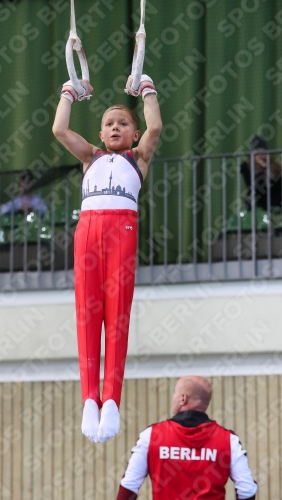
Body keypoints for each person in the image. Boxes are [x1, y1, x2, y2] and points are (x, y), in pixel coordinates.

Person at [52, 76, 162, 443]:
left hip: (121, 233)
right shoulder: (89, 158)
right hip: (87, 232)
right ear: (100, 135)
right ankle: (89, 399)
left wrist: (147, 91)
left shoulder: (138, 158)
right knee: (87, 313)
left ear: (134, 135)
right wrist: (69, 93)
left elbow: (157, 125)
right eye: (110, 124)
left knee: (116, 315)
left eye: (124, 123)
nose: (116, 127)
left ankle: (111, 398)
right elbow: (59, 128)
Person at [117, 376, 257, 500]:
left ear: (183, 398)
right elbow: (247, 489)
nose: (173, 397)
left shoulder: (151, 436)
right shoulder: (228, 440)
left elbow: (129, 485)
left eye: (174, 393)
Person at [241, 136, 282, 210]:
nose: (260, 154)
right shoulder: (247, 167)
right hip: (258, 199)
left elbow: (278, 185)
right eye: (257, 151)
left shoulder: (274, 165)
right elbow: (254, 185)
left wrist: (266, 168)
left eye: (262, 151)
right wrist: (263, 170)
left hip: (273, 197)